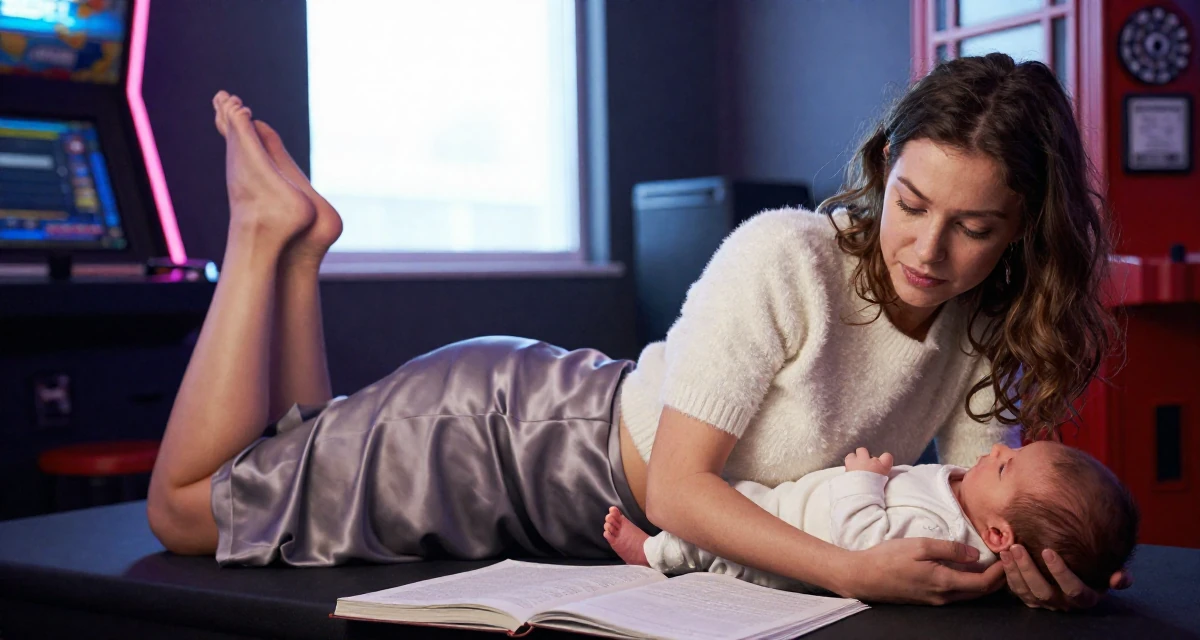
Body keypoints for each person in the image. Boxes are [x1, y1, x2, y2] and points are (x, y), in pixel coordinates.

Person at [146, 53, 1129, 609]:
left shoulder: (982, 325)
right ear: (886, 167)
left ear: (1017, 237)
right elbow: (676, 488)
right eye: (910, 202)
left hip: (566, 496)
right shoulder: (788, 254)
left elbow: (963, 500)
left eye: (974, 228)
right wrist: (852, 568)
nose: (926, 248)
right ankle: (259, 236)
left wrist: (1027, 565)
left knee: (288, 456)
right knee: (188, 512)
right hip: (513, 440)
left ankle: (300, 256)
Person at [603, 442, 1139, 597]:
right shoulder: (972, 498)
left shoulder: (945, 536)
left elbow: (862, 543)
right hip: (797, 500)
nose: (997, 447)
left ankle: (651, 554)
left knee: (718, 552)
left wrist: (866, 478)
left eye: (1003, 465)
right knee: (734, 498)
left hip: (799, 534)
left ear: (997, 536)